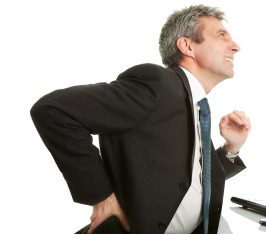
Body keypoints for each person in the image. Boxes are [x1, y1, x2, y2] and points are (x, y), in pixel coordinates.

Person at [30, 5, 250, 234]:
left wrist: (231, 149)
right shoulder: (160, 85)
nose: (235, 47)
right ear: (187, 46)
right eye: (221, 35)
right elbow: (53, 110)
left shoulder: (195, 104)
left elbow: (190, 178)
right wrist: (101, 197)